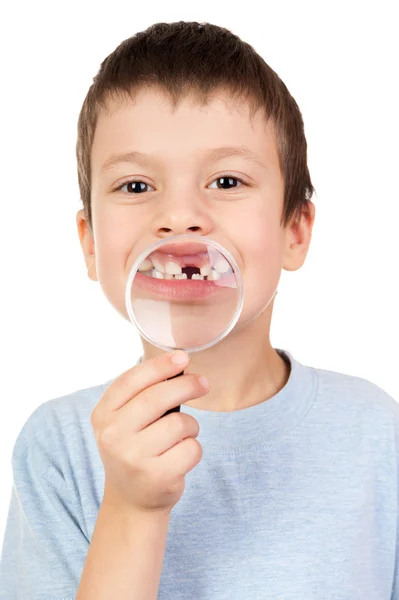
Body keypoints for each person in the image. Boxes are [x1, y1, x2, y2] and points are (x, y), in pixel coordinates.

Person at [0, 20, 398, 600]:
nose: (180, 215)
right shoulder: (59, 448)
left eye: (227, 179)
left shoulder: (378, 434)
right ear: (90, 243)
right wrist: (132, 509)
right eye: (136, 186)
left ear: (295, 230)